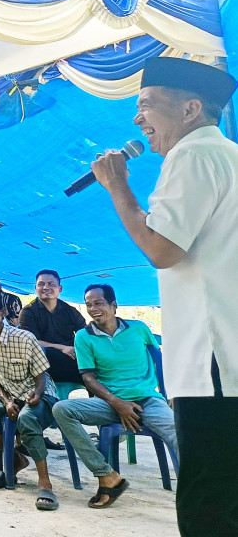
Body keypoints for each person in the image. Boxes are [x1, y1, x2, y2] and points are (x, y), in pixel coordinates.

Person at [89, 57, 238, 537]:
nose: (138, 120)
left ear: (191, 108)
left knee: (207, 500)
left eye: (147, 105)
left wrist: (118, 189)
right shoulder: (231, 155)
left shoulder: (192, 155)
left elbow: (162, 249)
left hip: (210, 361)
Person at [52, 284, 176, 510]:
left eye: (98, 303)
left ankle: (202, 490)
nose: (92, 309)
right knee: (61, 409)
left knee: (178, 433)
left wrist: (171, 392)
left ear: (114, 305)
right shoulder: (84, 337)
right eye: (88, 305)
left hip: (147, 400)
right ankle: (106, 475)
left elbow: (159, 358)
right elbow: (88, 378)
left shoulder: (138, 328)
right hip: (109, 403)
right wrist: (117, 403)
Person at [0, 293, 58, 510]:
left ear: (3, 312)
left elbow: (41, 375)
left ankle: (45, 482)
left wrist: (36, 394)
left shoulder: (24, 337)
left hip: (40, 393)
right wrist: (6, 401)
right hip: (10, 395)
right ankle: (15, 459)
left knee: (27, 419)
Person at [18, 270, 86, 385]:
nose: (45, 287)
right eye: (41, 284)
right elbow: (31, 342)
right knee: (45, 352)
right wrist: (62, 348)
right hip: (46, 362)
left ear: (60, 289)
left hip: (72, 357)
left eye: (51, 284)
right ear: (35, 288)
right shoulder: (28, 312)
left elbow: (84, 334)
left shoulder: (70, 311)